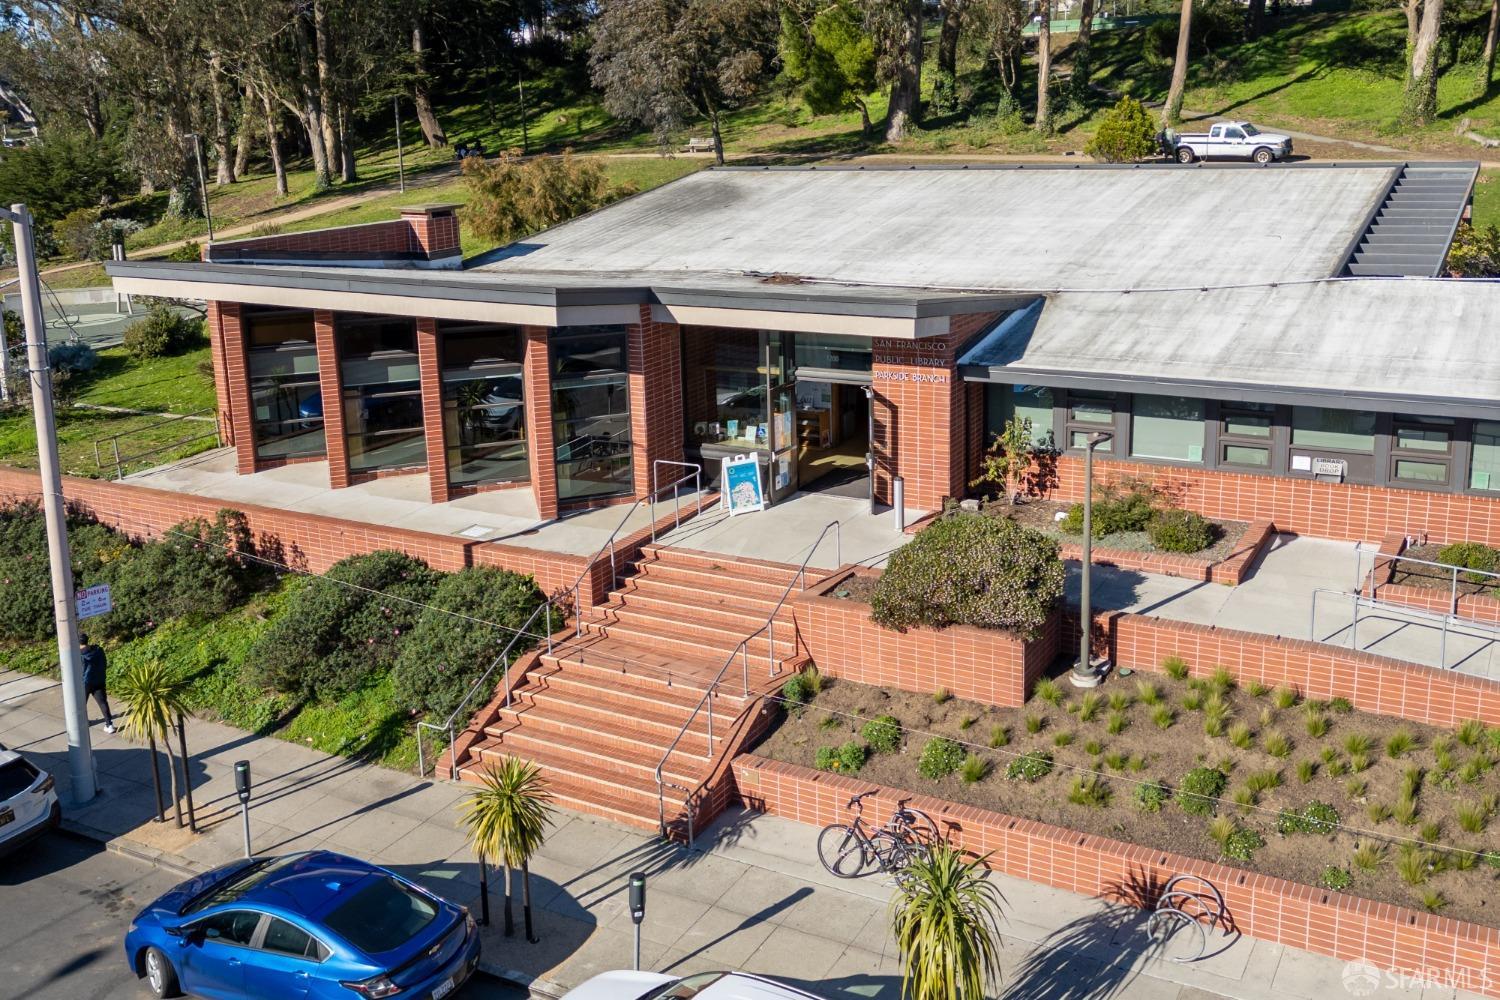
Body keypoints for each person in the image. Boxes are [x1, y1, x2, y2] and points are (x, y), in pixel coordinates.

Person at [80, 633, 114, 734]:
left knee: (81, 704)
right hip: (99, 680)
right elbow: (104, 663)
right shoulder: (98, 650)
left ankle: (82, 722)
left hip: (85, 683)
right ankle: (109, 725)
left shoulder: (79, 655)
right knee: (103, 703)